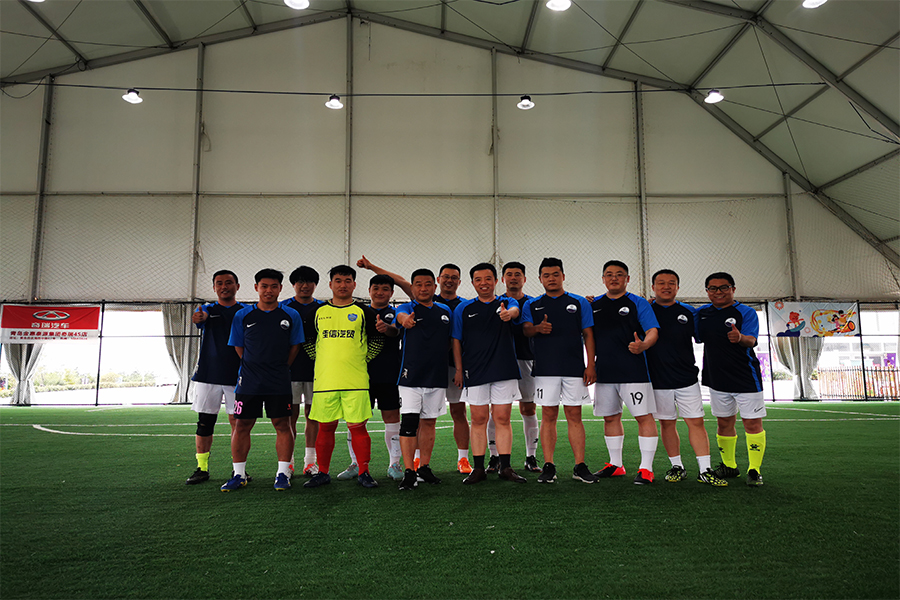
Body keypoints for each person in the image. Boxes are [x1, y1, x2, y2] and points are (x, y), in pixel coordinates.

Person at [356, 256, 473, 474]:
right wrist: (371, 267)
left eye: (454, 278)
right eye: (446, 276)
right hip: (417, 370)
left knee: (457, 412)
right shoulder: (416, 301)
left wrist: (458, 366)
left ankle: (463, 459)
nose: (449, 280)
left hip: (447, 368)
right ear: (439, 280)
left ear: (459, 281)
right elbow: (400, 289)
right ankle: (415, 463)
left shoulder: (460, 306)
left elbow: (456, 339)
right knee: (414, 418)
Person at [220, 269, 303, 492]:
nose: (269, 290)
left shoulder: (291, 315)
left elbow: (295, 346)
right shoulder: (243, 315)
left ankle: (283, 473)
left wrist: (280, 367)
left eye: (274, 286)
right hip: (249, 381)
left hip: (279, 381)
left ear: (280, 289)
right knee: (241, 425)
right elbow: (239, 346)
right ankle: (239, 474)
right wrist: (253, 366)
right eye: (264, 286)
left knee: (283, 424)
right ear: (256, 288)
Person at [304, 265, 385, 489]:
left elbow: (377, 340)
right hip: (325, 382)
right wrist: (325, 362)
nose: (343, 285)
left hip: (355, 381)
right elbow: (308, 342)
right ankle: (322, 472)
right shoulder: (317, 312)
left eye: (347, 281)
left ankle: (364, 472)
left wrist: (359, 359)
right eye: (338, 281)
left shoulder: (364, 312)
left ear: (354, 284)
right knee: (325, 427)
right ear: (330, 284)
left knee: (358, 428)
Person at [645, 269, 727, 487]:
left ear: (678, 287)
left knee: (696, 422)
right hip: (658, 380)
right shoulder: (645, 310)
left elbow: (702, 336)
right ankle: (677, 467)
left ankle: (705, 470)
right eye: (661, 283)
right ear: (653, 287)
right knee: (667, 423)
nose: (666, 286)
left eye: (671, 283)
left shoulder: (690, 312)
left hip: (687, 378)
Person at [522, 258, 597, 484]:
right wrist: (538, 328)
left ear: (563, 276)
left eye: (556, 274)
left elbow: (588, 334)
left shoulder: (579, 302)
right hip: (545, 370)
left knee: (575, 416)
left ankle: (580, 465)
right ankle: (549, 465)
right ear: (540, 279)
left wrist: (590, 365)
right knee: (548, 416)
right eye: (546, 275)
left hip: (574, 369)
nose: (551, 279)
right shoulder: (532, 305)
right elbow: (526, 330)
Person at [453, 262, 526, 484]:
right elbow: (456, 340)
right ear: (472, 283)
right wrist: (459, 370)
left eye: (488, 279)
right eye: (478, 280)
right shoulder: (463, 309)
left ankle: (505, 467)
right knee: (478, 419)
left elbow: (515, 310)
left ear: (496, 281)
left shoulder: (507, 302)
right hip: (474, 371)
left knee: (502, 418)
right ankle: (478, 469)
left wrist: (509, 314)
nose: (483, 283)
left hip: (504, 370)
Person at [591, 260, 660, 485]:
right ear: (603, 279)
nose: (614, 278)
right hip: (605, 372)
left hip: (634, 372)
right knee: (610, 417)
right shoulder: (594, 304)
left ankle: (646, 469)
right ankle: (616, 465)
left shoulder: (638, 303)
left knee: (643, 416)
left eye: (619, 274)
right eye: (609, 274)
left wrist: (643, 345)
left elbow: (652, 331)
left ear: (627, 279)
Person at [696, 272, 767, 486]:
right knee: (724, 422)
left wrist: (740, 338)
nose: (718, 292)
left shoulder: (746, 312)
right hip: (716, 377)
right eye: (713, 288)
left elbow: (751, 340)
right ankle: (729, 466)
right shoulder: (701, 313)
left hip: (746, 377)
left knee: (752, 423)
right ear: (707, 291)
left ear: (733, 289)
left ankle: (754, 470)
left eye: (724, 287)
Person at [335, 274, 403, 482]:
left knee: (392, 419)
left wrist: (387, 329)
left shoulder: (397, 313)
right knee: (356, 421)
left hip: (389, 375)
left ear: (392, 293)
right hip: (359, 376)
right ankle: (356, 463)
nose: (380, 292)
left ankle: (394, 464)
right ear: (369, 290)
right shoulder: (357, 312)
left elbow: (397, 332)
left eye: (385, 289)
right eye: (376, 288)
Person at [393, 268, 453, 490]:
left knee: (429, 422)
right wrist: (405, 321)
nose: (423, 288)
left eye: (428, 284)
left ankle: (424, 467)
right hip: (410, 377)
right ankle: (409, 471)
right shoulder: (406, 308)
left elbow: (451, 341)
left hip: (436, 376)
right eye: (418, 284)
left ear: (435, 287)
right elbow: (401, 317)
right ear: (412, 287)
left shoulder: (445, 310)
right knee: (409, 423)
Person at [185, 270, 246, 485]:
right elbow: (199, 318)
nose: (224, 286)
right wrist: (198, 318)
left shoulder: (246, 311)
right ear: (214, 288)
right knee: (205, 422)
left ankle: (238, 470)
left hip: (238, 377)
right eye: (219, 283)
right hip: (208, 375)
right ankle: (202, 468)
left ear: (237, 286)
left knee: (238, 424)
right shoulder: (206, 309)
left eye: (228, 282)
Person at [488, 261, 540, 474]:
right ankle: (494, 457)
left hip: (526, 359)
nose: (513, 278)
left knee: (528, 408)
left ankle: (531, 456)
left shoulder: (533, 303)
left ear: (524, 279)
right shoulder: (494, 302)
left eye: (518, 274)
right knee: (497, 411)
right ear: (503, 279)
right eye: (509, 274)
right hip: (500, 362)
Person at [280, 266, 324, 478]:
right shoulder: (283, 307)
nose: (304, 286)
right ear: (293, 284)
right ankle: (288, 463)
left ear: (315, 285)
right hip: (289, 371)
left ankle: (310, 462)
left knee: (312, 416)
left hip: (318, 372)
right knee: (290, 417)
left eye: (309, 282)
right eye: (300, 282)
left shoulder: (324, 308)